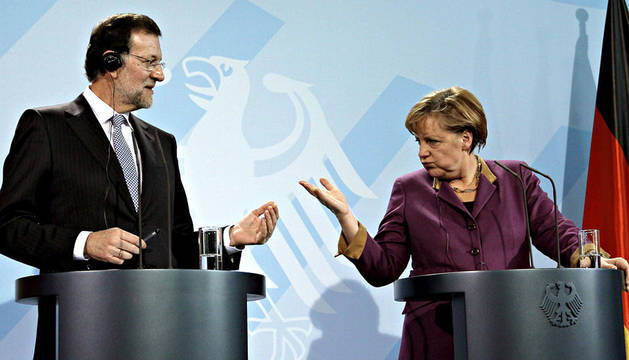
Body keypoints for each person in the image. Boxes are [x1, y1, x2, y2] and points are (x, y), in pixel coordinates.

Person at [0, 13, 278, 358]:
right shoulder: (46, 127)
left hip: (162, 336)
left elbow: (173, 241)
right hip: (82, 333)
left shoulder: (161, 143)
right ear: (112, 62)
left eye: (159, 63)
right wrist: (85, 243)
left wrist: (230, 238)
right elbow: (8, 227)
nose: (159, 75)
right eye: (149, 63)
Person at [299, 86, 629, 360]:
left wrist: (585, 257)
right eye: (418, 142)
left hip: (512, 333)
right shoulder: (409, 189)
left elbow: (556, 232)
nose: (422, 153)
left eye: (432, 141)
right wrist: (346, 217)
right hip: (436, 338)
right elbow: (383, 268)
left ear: (465, 139)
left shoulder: (517, 178)